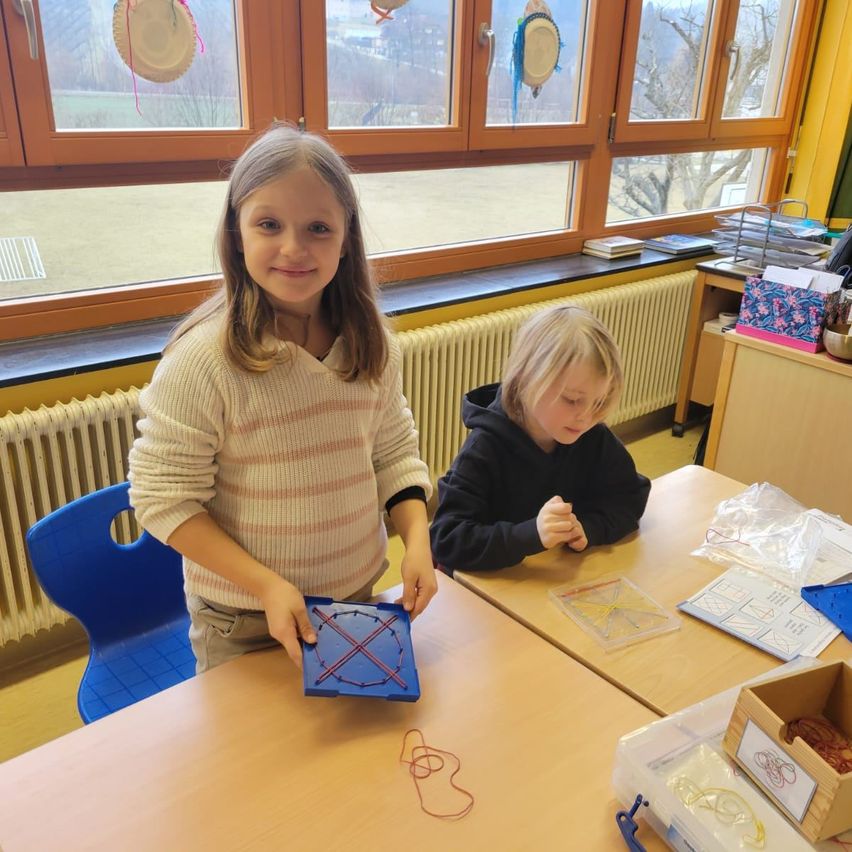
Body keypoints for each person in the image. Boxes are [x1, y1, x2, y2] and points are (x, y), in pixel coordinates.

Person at [128, 123, 435, 673]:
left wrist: (417, 539)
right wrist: (266, 585)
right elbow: (162, 500)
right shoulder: (202, 362)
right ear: (237, 232)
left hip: (355, 599)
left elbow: (393, 454)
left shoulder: (372, 344)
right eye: (269, 224)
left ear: (346, 240)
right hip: (243, 621)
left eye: (319, 227)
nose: (294, 248)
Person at [430, 304, 650, 574]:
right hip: (481, 591)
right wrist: (530, 534)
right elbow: (447, 540)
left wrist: (589, 528)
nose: (586, 417)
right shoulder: (484, 448)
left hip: (549, 584)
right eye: (572, 400)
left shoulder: (592, 436)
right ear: (527, 381)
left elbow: (629, 497)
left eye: (600, 402)